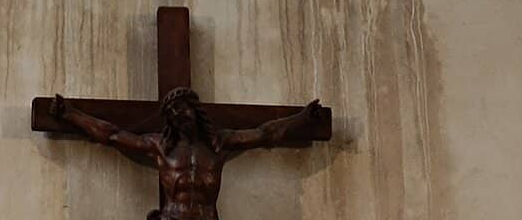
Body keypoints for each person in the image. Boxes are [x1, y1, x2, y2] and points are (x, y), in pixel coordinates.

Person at [51, 85, 324, 219]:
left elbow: (266, 134)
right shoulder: (160, 146)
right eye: (171, 113)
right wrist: (71, 114)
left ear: (194, 109)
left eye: (181, 108)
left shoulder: (219, 144)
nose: (177, 115)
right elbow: (111, 134)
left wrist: (302, 118)